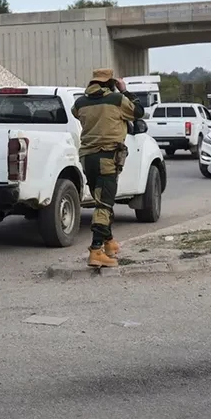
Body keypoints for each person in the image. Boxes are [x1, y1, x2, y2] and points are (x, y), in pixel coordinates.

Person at [71, 68, 144, 269]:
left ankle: (109, 243)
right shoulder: (116, 100)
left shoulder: (79, 103)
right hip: (107, 157)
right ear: (110, 83)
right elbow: (139, 112)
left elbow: (76, 114)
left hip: (87, 158)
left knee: (101, 199)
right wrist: (125, 91)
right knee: (104, 204)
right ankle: (96, 251)